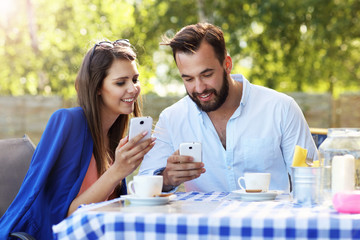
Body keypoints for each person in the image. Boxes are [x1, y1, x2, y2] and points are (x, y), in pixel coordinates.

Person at [0, 39, 155, 239]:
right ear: (97, 86)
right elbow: (64, 218)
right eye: (120, 82)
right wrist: (117, 170)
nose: (133, 89)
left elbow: (111, 207)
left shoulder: (114, 135)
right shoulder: (69, 122)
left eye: (135, 79)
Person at [138, 22, 317, 193]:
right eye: (188, 79)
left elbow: (312, 178)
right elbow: (143, 183)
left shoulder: (281, 109)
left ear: (227, 65)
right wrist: (167, 178)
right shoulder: (171, 119)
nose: (199, 88)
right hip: (203, 223)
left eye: (206, 75)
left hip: (267, 221)